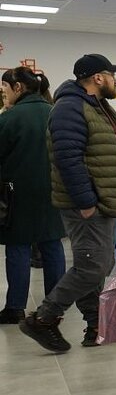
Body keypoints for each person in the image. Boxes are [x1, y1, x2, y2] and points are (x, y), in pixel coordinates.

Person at [20, 54, 116, 352]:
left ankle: (95, 324)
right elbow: (67, 158)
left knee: (98, 263)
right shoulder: (70, 107)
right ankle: (43, 318)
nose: (115, 79)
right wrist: (85, 201)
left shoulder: (101, 107)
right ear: (98, 77)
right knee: (92, 265)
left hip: (106, 200)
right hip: (87, 203)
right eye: (112, 74)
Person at [0, 67, 65, 325]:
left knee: (18, 247)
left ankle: (15, 306)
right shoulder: (56, 113)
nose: (3, 93)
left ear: (19, 88)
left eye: (5, 88)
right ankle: (55, 305)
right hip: (55, 192)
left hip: (17, 194)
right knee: (52, 245)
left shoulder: (10, 118)